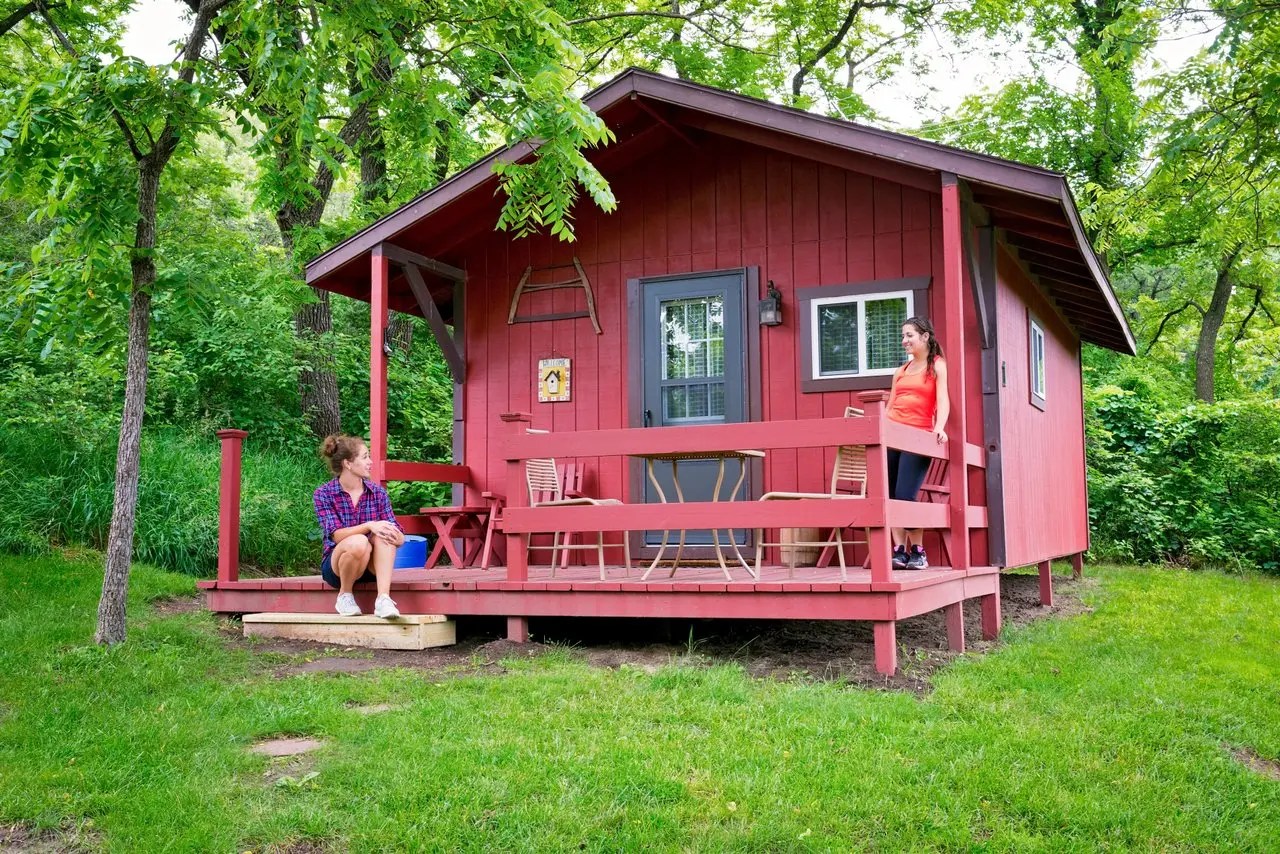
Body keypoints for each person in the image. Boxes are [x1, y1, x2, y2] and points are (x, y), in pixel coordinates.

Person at [314, 434, 405, 618]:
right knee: (358, 542)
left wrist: (397, 537)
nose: (370, 462)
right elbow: (336, 535)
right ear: (348, 463)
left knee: (384, 534)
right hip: (338, 568)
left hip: (372, 566)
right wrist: (370, 525)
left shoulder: (378, 493)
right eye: (365, 457)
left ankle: (383, 599)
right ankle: (345, 595)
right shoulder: (324, 494)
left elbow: (398, 533)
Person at [884, 316, 949, 570]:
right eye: (903, 336)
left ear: (925, 336)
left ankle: (918, 552)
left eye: (909, 335)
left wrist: (939, 427)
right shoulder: (899, 371)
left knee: (905, 496)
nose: (904, 341)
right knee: (890, 497)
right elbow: (890, 405)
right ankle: (899, 550)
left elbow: (942, 399)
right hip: (891, 436)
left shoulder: (936, 365)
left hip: (917, 438)